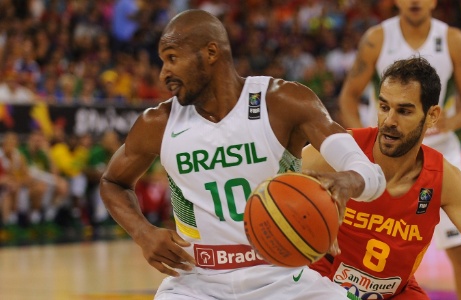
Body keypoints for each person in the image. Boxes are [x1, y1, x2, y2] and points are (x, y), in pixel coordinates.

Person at [99, 9, 386, 300]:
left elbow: (371, 172)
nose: (164, 74)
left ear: (211, 52)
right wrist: (142, 232)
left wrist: (349, 181)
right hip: (196, 283)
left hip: (283, 276)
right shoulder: (158, 123)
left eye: (172, 58)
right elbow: (112, 182)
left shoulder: (282, 102)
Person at [305, 57, 461, 300]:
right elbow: (270, 187)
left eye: (404, 111)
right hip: (321, 284)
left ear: (432, 116)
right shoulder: (337, 149)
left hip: (396, 292)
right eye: (384, 107)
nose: (389, 121)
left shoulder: (445, 179)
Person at [336, 1, 461, 298]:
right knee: (355, 246)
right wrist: (359, 148)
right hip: (383, 156)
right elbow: (348, 98)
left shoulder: (453, 40)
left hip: (438, 155)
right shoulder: (376, 38)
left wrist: (450, 121)